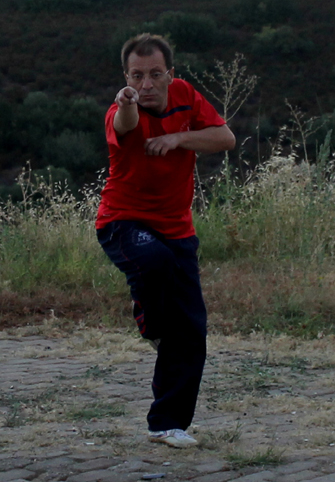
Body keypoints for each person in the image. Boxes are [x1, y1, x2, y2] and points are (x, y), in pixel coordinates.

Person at [96, 33, 236, 448]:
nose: (147, 84)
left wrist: (179, 138)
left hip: (178, 228)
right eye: (137, 76)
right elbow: (125, 124)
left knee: (191, 331)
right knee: (154, 262)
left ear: (170, 74)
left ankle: (167, 424)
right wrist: (126, 104)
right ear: (126, 77)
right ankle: (150, 321)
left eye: (155, 74)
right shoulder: (122, 110)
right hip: (122, 222)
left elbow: (225, 138)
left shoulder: (185, 96)